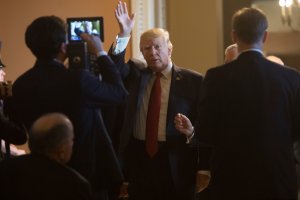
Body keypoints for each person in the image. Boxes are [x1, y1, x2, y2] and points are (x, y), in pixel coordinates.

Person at [175, 7, 300, 199]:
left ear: (233, 36)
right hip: (277, 180)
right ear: (265, 36)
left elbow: (207, 131)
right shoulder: (291, 78)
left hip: (231, 181)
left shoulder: (216, 77)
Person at [9, 15, 128, 200]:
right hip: (87, 176)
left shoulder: (20, 85)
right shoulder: (78, 80)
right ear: (64, 46)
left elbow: (19, 131)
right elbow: (119, 94)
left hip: (40, 177)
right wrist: (100, 52)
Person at [108, 2, 210, 200]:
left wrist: (191, 132)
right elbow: (114, 68)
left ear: (169, 49)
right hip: (139, 159)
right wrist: (124, 33)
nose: (152, 52)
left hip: (175, 161)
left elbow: (206, 126)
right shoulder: (136, 74)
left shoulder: (194, 81)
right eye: (146, 48)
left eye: (157, 47)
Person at [0, 113, 92, 200]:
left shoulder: (4, 168)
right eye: (72, 140)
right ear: (62, 149)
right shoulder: (76, 185)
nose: (73, 144)